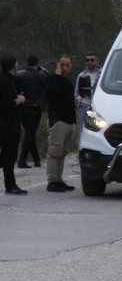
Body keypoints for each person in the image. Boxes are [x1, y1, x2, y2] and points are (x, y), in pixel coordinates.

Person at [44, 54, 77, 193]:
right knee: (54, 152)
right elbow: (53, 92)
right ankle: (52, 181)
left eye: (67, 65)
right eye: (62, 65)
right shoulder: (52, 80)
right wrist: (56, 75)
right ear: (57, 65)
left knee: (62, 153)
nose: (65, 67)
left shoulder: (67, 82)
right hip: (58, 121)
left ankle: (59, 179)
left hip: (69, 121)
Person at [1, 54, 28, 195]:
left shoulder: (8, 80)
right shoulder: (5, 82)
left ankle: (10, 184)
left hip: (8, 123)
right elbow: (7, 105)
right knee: (9, 156)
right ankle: (10, 185)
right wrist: (20, 100)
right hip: (8, 124)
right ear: (12, 66)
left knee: (8, 155)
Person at [15, 54, 47, 168]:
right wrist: (44, 71)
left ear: (27, 63)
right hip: (35, 108)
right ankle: (22, 160)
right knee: (30, 133)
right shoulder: (40, 76)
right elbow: (51, 81)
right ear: (37, 63)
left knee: (30, 133)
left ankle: (37, 159)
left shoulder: (20, 76)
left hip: (22, 108)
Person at [76, 52, 100, 129]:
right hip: (83, 106)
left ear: (97, 62)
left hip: (96, 108)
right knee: (81, 130)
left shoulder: (102, 74)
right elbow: (77, 90)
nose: (89, 62)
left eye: (92, 60)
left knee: (95, 129)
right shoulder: (81, 75)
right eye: (87, 60)